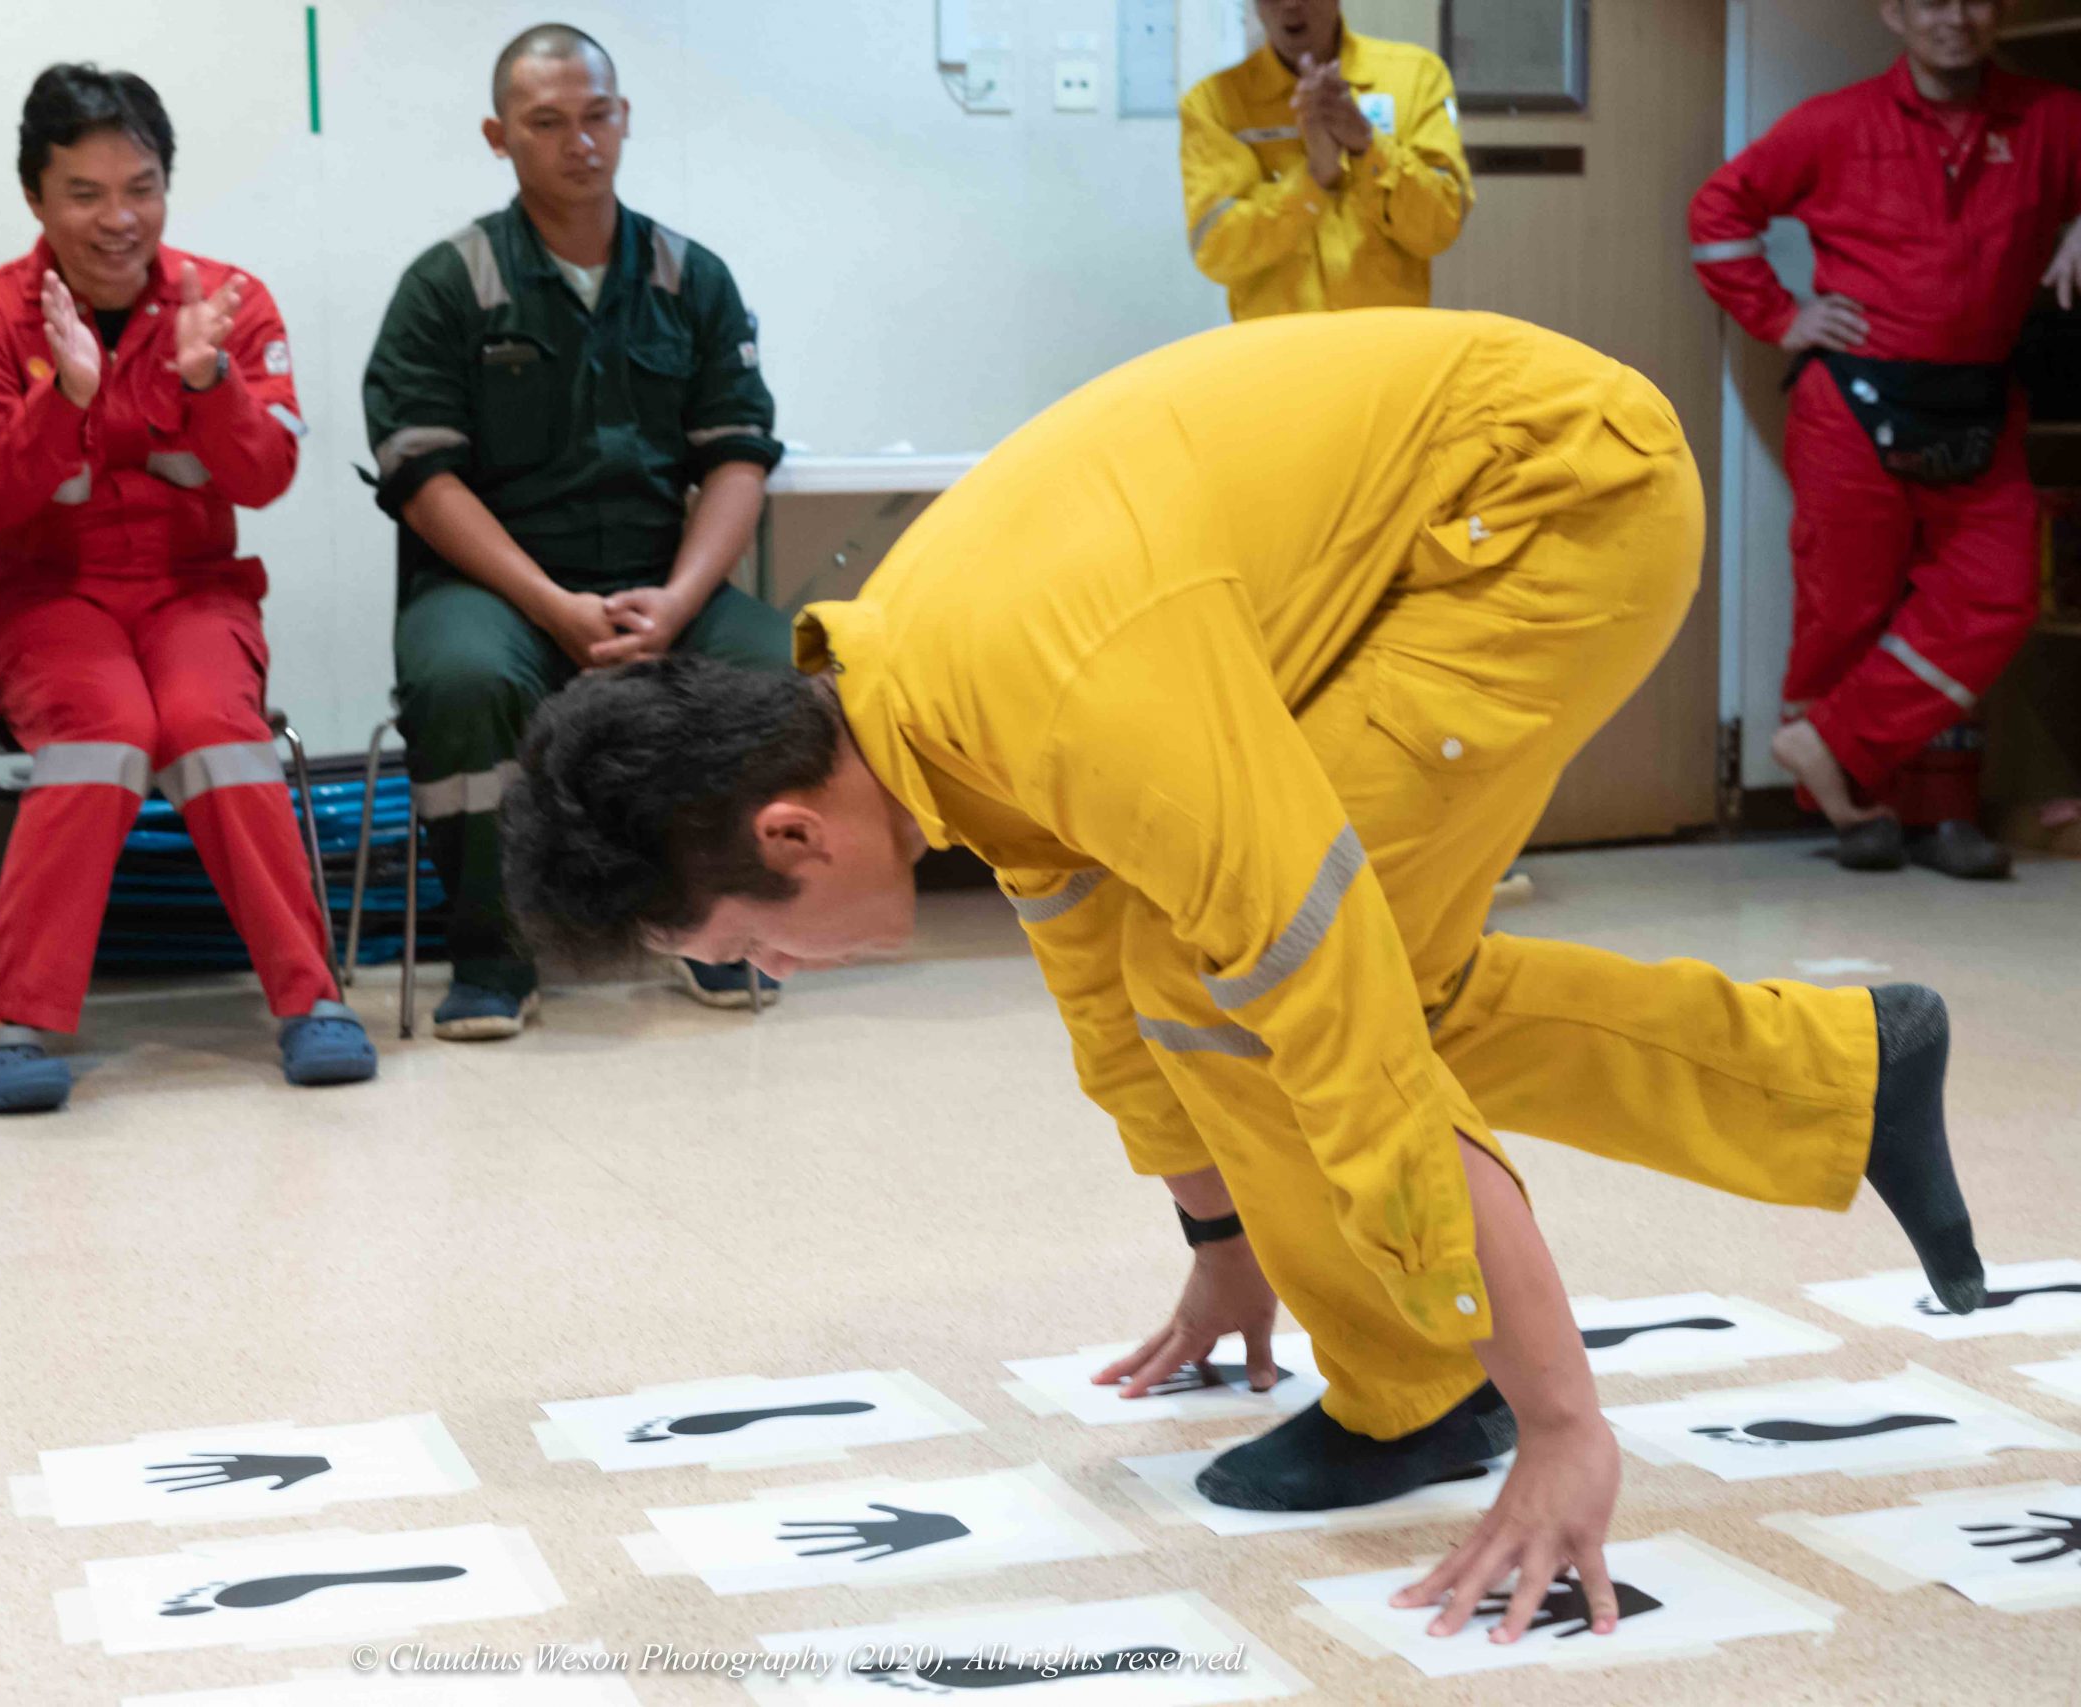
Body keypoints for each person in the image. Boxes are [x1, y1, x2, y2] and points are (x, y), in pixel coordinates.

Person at [501, 310, 1987, 1644]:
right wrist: (1222, 1236)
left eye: (749, 947)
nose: (775, 970)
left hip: (1549, 502)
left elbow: (1335, 1013)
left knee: (1274, 986)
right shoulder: (917, 707)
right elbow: (1097, 973)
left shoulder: (1053, 694)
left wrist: (1562, 1419)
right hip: (1453, 509)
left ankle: (1433, 1390)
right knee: (1282, 973)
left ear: (789, 831)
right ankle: (1835, 1077)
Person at [0, 64, 374, 1113]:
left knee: (213, 728)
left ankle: (311, 1000)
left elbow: (264, 476)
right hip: (50, 601)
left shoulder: (226, 303)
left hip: (195, 593)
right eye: (84, 193)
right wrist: (66, 397)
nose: (118, 218)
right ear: (35, 196)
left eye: (141, 188)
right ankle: (10, 1017)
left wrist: (210, 381)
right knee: (107, 728)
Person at [364, 23, 790, 1041]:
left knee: (779, 668)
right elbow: (423, 480)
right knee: (465, 678)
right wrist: (551, 606)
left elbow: (737, 457)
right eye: (547, 122)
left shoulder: (691, 277)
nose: (580, 142)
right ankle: (494, 954)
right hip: (493, 589)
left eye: (597, 115)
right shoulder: (449, 283)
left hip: (657, 578)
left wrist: (680, 600)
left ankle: (714, 926)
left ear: (625, 118)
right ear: (498, 136)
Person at [1691, 0, 2081, 878]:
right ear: (1894, 13)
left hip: (1981, 399)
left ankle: (1903, 786)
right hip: (1852, 405)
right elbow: (1718, 215)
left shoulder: (2051, 119)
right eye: (1933, 0)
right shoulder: (1834, 123)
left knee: (1996, 597)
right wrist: (1782, 317)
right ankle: (1853, 807)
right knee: (1846, 610)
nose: (1957, 19)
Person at [1179, 0, 1470, 319]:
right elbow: (1217, 252)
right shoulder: (1214, 103)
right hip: (1280, 344)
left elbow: (1441, 226)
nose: (1290, 4)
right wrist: (1314, 180)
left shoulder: (1415, 76)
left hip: (1386, 339)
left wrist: (1367, 146)